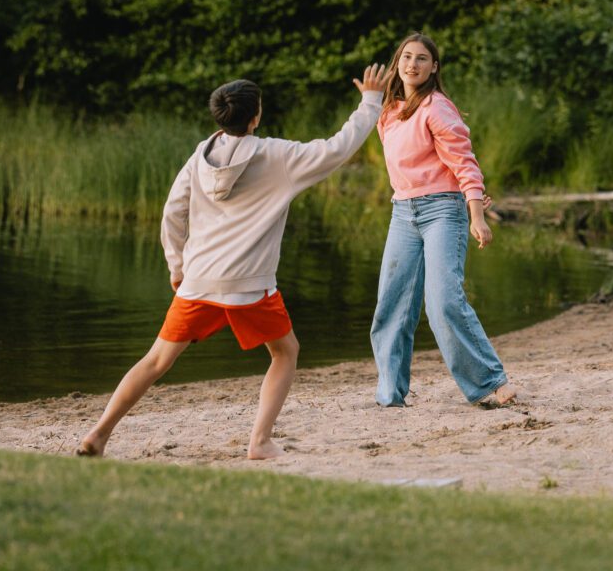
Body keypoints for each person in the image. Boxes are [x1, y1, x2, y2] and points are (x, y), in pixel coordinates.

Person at [77, 63, 386, 461]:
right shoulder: (278, 155)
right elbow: (338, 148)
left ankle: (98, 434)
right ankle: (259, 442)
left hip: (199, 281)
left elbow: (172, 214)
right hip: (249, 285)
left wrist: (177, 267)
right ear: (255, 116)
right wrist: (370, 101)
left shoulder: (199, 156)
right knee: (285, 352)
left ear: (219, 117)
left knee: (156, 360)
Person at [370, 33, 517, 409]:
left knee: (444, 302)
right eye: (406, 57)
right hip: (403, 212)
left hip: (442, 213)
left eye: (422, 59)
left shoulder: (437, 107)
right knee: (392, 305)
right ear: (397, 62)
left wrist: (476, 214)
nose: (412, 64)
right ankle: (390, 396)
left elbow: (464, 162)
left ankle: (488, 383)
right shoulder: (387, 112)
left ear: (434, 67)